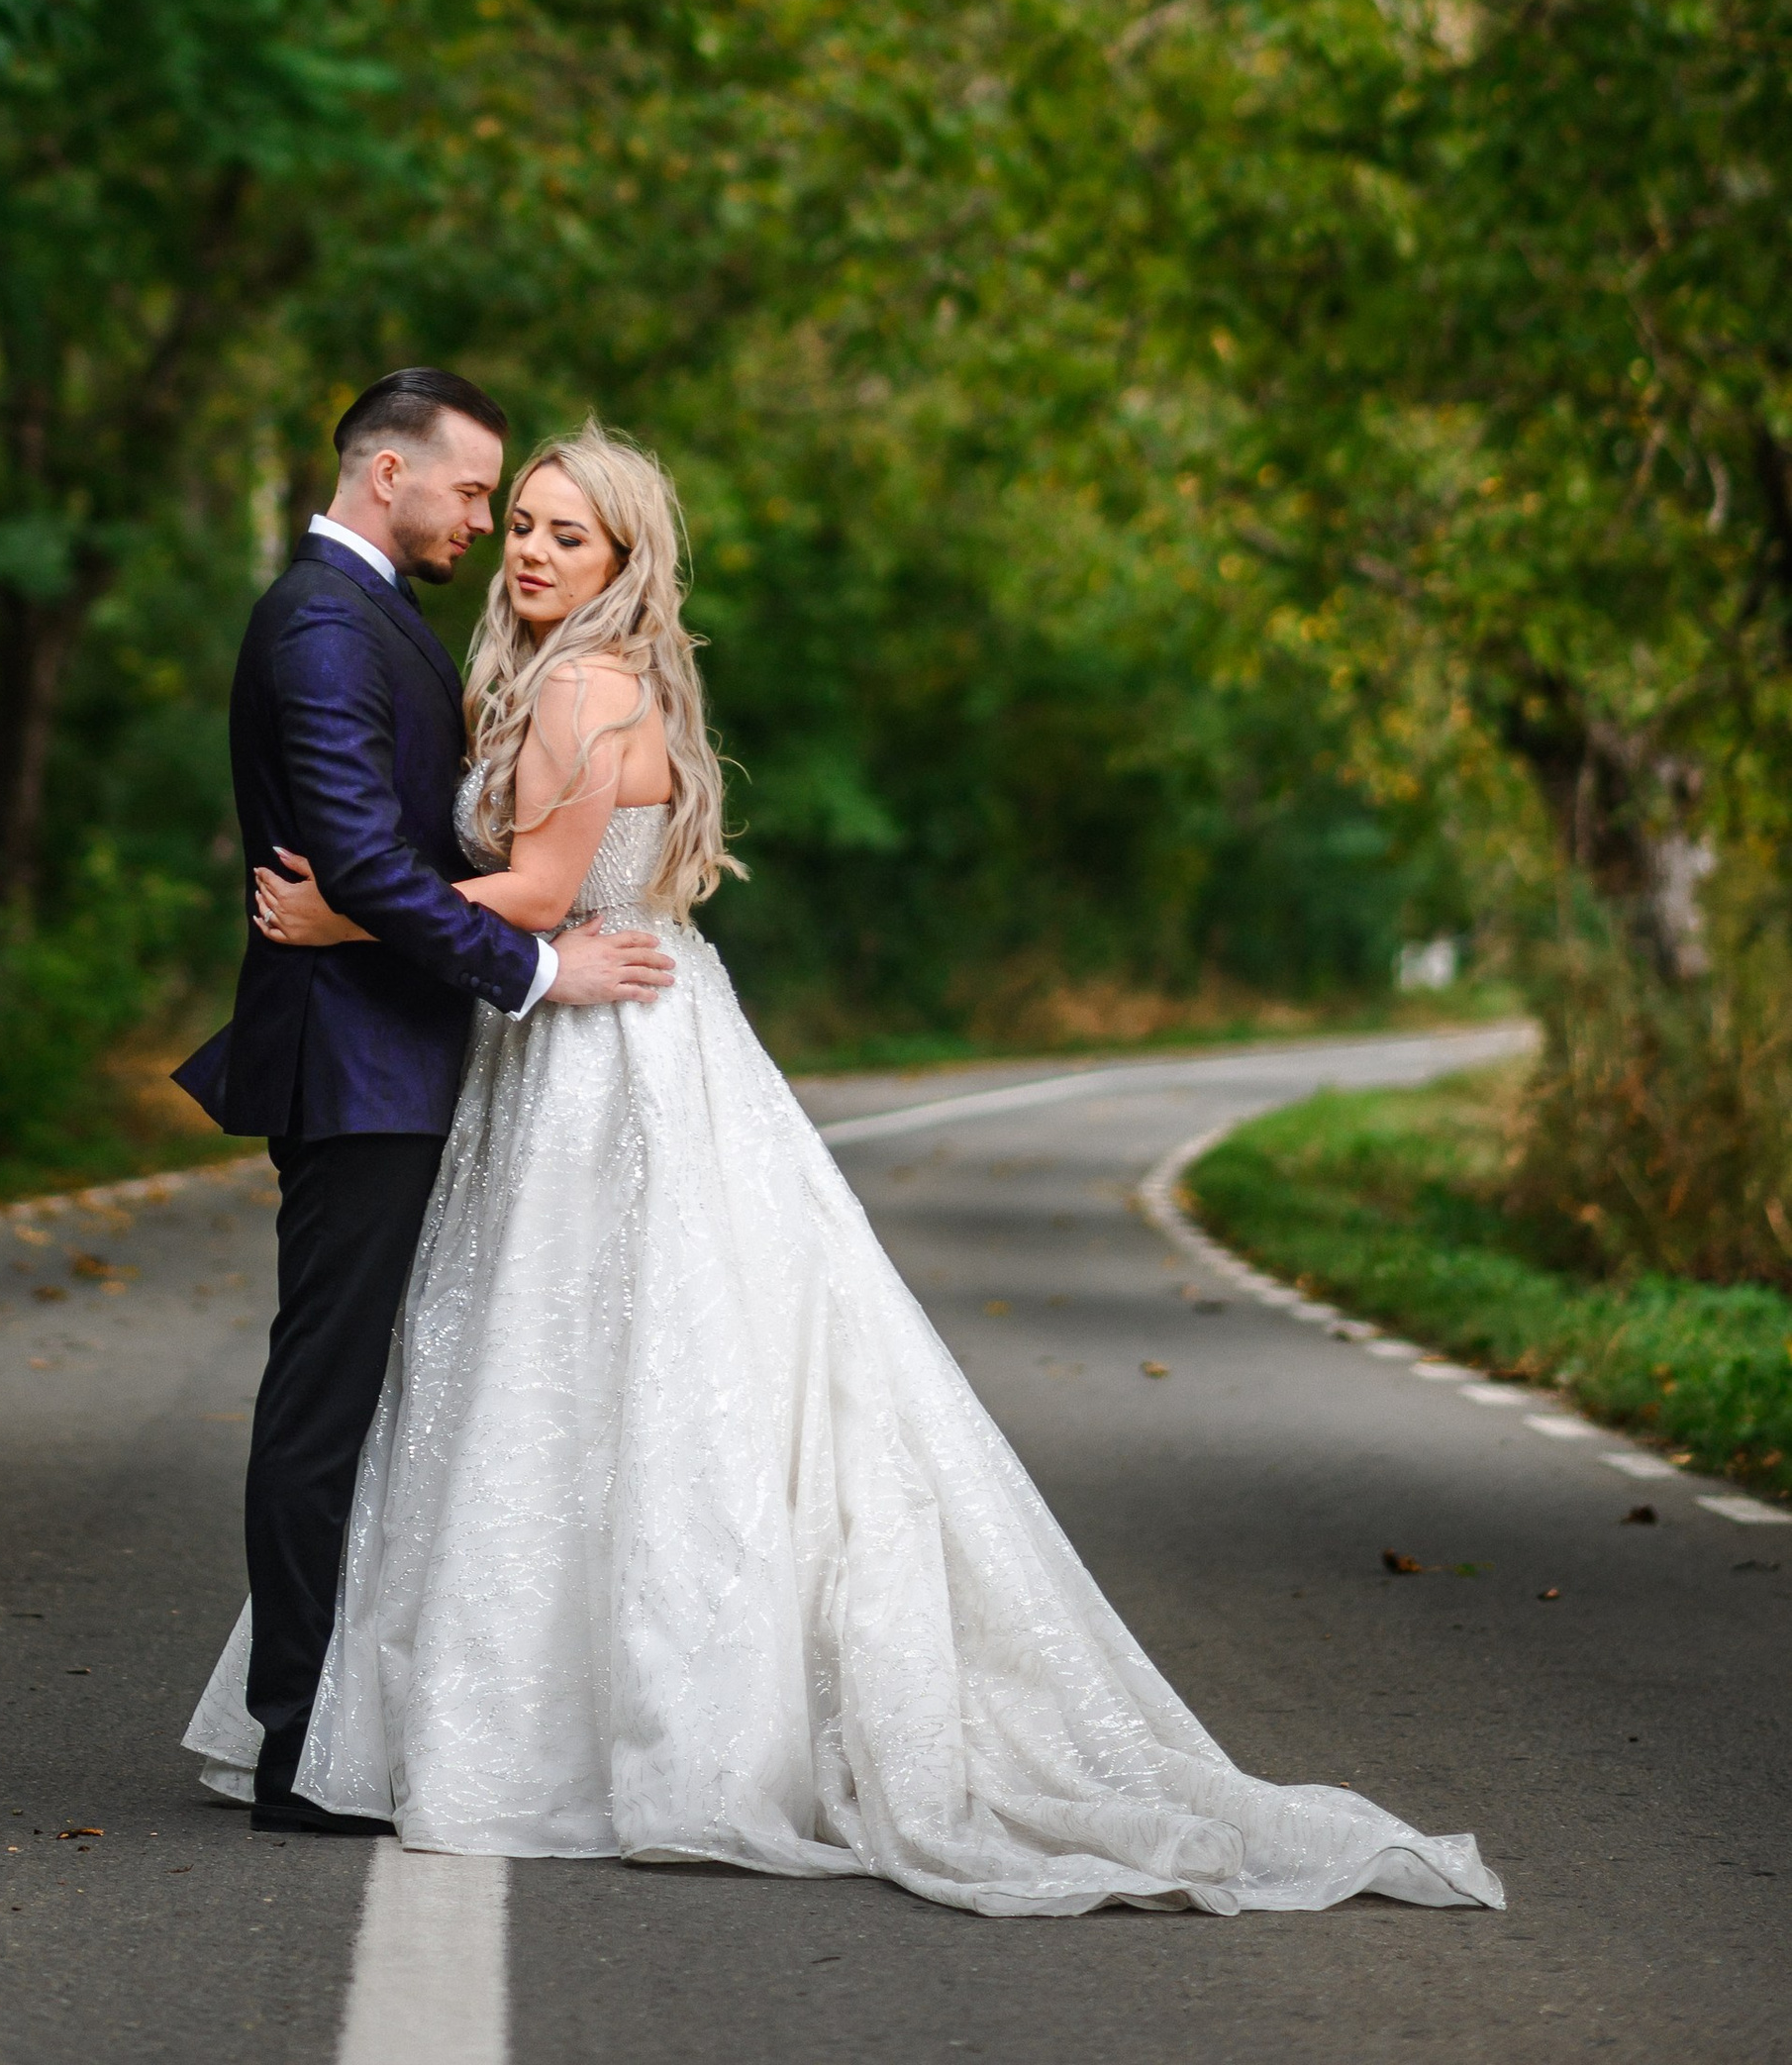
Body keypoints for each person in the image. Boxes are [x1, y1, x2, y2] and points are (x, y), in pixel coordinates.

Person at [184, 423, 1505, 1918]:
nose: (531, 547)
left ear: (626, 565)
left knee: (604, 1371)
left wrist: (343, 921)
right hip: (592, 1036)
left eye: (567, 532)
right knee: (580, 1376)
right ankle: (493, 1699)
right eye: (524, 522)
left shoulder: (588, 689)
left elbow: (546, 895)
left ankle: (594, 1716)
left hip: (600, 1050)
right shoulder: (543, 679)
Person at [170, 369, 675, 1835]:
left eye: (534, 520)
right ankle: (296, 1752)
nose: (492, 530)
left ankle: (345, 1722)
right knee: (330, 1400)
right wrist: (534, 969)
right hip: (358, 1061)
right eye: (478, 497)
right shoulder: (327, 622)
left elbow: (385, 869)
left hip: (406, 1054)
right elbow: (358, 867)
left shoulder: (390, 614)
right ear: (388, 475)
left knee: (403, 1396)